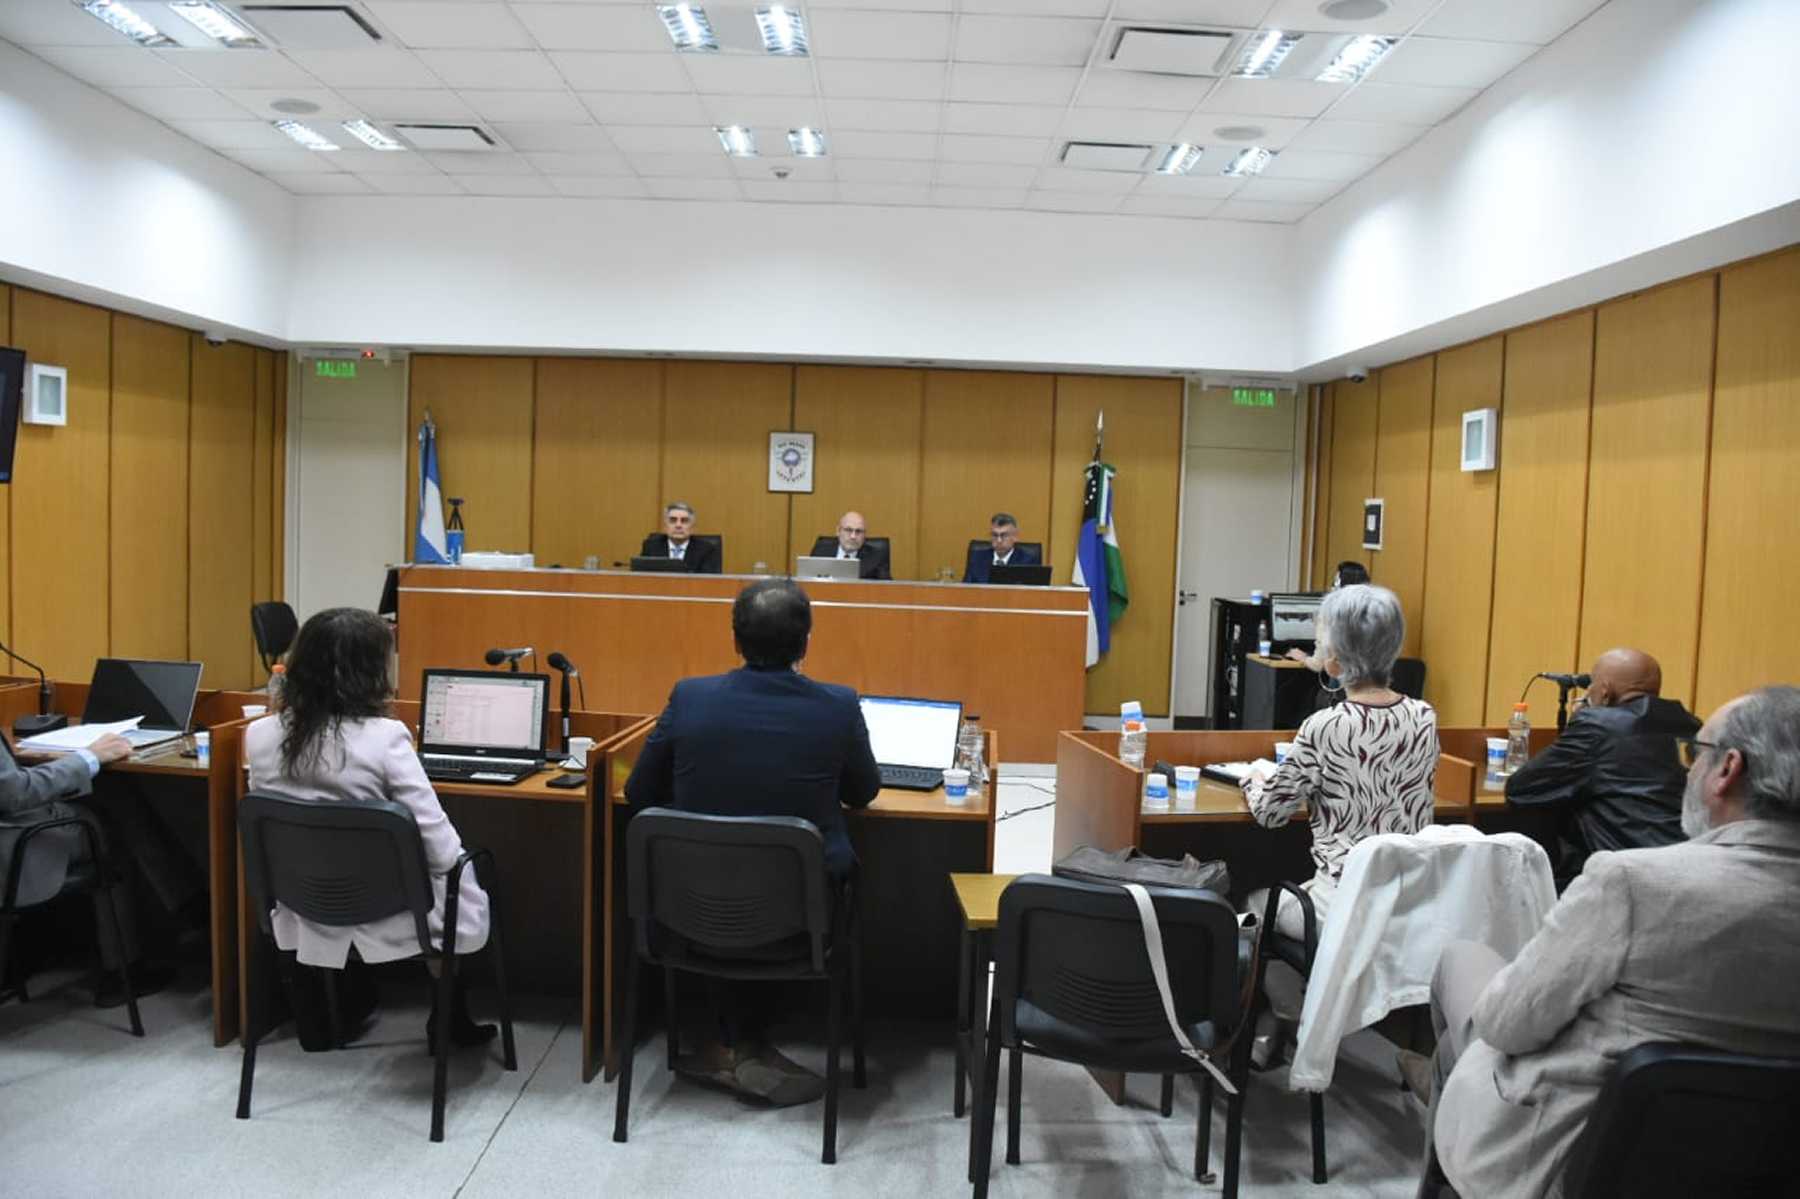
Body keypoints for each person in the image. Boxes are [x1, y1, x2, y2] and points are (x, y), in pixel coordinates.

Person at [1421, 685, 1800, 1199]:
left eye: (1696, 754)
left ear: (1728, 769)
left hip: (1582, 1162)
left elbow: (1506, 1026)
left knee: (1460, 965)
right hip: (1760, 1169)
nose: (1685, 770)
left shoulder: (1632, 882)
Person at [624, 577, 881, 1105]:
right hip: (801, 927)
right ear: (806, 643)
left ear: (736, 642)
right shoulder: (836, 706)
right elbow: (864, 792)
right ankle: (744, 1044)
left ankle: (729, 1043)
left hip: (686, 918)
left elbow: (638, 791)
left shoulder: (690, 697)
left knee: (727, 867)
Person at [243, 607, 495, 1048]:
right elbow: (439, 850)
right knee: (474, 869)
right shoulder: (386, 738)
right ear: (370, 671)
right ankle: (448, 1020)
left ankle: (320, 1020)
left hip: (303, 903)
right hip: (389, 909)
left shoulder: (260, 735)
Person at [1242, 584, 1438, 941]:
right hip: (1405, 906)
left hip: (1339, 908)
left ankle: (1291, 999)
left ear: (1333, 662)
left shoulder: (1326, 725)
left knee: (1253, 902)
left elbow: (1270, 814)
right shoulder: (1424, 717)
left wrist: (1254, 780)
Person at [0, 730, 175, 1005]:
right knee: (109, 827)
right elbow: (13, 792)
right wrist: (87, 758)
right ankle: (123, 971)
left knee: (111, 797)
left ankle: (186, 907)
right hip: (14, 846)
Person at [1503, 647, 1700, 886]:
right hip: (1691, 866)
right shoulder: (1691, 725)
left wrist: (1582, 718)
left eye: (1591, 685)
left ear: (1604, 690)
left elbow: (1521, 788)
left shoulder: (1597, 725)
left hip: (1631, 874)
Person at [1285, 560, 1372, 669]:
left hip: (1341, 679)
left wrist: (1303, 657)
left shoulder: (1332, 613)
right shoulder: (1372, 613)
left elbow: (1318, 664)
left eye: (1334, 583)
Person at [639, 501, 720, 573]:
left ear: (692, 527)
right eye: (673, 520)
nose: (678, 525)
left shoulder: (706, 550)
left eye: (684, 521)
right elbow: (640, 578)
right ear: (665, 526)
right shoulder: (651, 547)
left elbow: (709, 582)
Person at [808, 510, 890, 580]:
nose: (853, 536)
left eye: (858, 531)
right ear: (838, 531)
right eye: (848, 530)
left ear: (864, 535)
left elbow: (886, 588)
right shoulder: (821, 551)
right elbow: (807, 581)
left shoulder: (876, 557)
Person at [963, 512, 1041, 583]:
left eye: (1004, 535)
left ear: (1015, 537)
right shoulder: (977, 559)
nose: (999, 540)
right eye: (994, 535)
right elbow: (965, 590)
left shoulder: (1028, 562)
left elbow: (1033, 594)